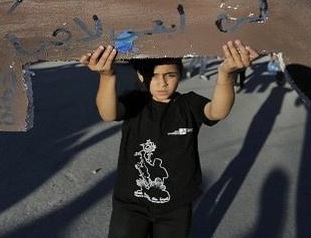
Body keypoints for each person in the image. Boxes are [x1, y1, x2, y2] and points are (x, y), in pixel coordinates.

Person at [80, 40, 258, 238]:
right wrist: (107, 76)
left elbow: (217, 111)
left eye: (170, 75)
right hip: (130, 204)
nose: (162, 83)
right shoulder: (135, 103)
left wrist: (225, 75)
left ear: (179, 74)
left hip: (176, 207)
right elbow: (108, 113)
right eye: (154, 76)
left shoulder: (189, 104)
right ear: (141, 76)